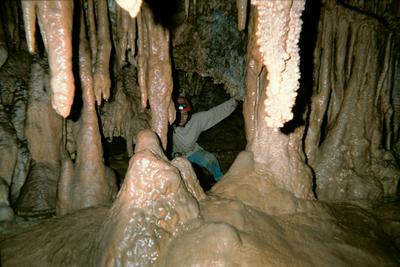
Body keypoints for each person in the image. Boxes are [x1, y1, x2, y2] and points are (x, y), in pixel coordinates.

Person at [172, 95, 238, 182]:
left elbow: (215, 113)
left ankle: (221, 182)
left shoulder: (196, 121)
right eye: (178, 114)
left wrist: (235, 100)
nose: (181, 118)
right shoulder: (168, 123)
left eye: (185, 114)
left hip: (192, 152)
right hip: (173, 156)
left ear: (189, 114)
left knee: (211, 160)